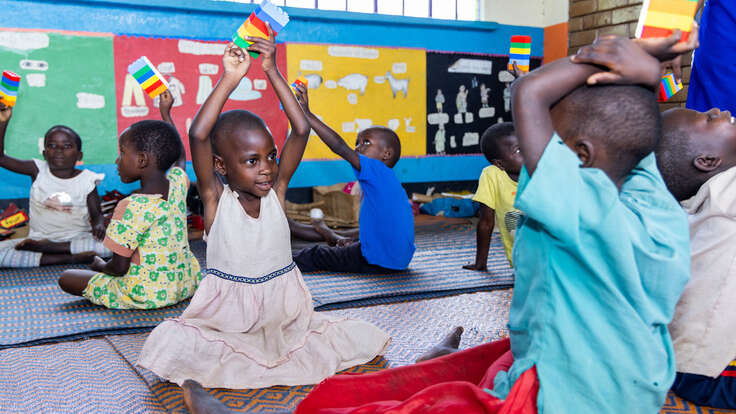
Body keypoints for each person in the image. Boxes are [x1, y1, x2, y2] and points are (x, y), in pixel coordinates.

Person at [174, 33, 698, 414]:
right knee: (476, 363)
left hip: (558, 397)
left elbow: (529, 94)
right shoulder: (660, 213)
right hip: (626, 385)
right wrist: (648, 79)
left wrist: (597, 57)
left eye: (550, 143)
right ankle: (437, 357)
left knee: (396, 407)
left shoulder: (575, 207)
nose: (266, 168)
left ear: (576, 157)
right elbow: (635, 141)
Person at [137, 25, 390, 389]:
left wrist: (271, 69)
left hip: (282, 312)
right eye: (252, 161)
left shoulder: (277, 191)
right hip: (229, 316)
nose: (268, 167)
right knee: (175, 341)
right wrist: (230, 78)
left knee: (340, 337)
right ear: (221, 166)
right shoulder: (214, 199)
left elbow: (300, 129)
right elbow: (198, 136)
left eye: (270, 156)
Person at [57, 91, 202, 309]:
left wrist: (99, 265)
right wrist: (166, 113)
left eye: (122, 153)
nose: (117, 160)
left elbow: (118, 268)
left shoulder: (130, 206)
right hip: (184, 284)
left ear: (142, 160)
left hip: (146, 293)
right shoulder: (178, 184)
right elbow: (180, 157)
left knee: (67, 278)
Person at [655, 106, 736, 409]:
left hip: (685, 362)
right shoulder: (727, 194)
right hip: (711, 376)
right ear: (707, 161)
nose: (720, 110)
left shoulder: (702, 200)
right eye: (709, 118)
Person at [291, 83, 415, 274]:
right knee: (342, 244)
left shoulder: (376, 170)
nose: (357, 148)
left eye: (366, 142)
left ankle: (277, 267)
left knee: (314, 255)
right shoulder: (387, 183)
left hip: (377, 261)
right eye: (356, 143)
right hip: (397, 259)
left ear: (386, 154)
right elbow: (373, 230)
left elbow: (339, 146)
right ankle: (325, 233)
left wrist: (308, 115)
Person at [0, 102, 110, 267]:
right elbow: (1, 158)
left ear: (79, 154)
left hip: (76, 238)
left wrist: (100, 224)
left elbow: (97, 214)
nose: (59, 150)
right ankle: (68, 258)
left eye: (67, 146)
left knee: (111, 247)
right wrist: (3, 122)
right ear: (44, 153)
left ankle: (50, 250)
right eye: (52, 145)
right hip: (39, 239)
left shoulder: (87, 179)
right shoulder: (37, 170)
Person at [464, 122, 521, 270]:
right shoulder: (492, 175)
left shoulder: (540, 170)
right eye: (519, 150)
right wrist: (480, 263)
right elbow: (486, 222)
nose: (529, 152)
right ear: (499, 164)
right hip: (521, 263)